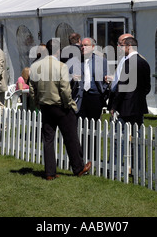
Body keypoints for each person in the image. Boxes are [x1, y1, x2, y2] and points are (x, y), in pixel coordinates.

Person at [29, 38, 91, 180]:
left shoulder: (35, 66)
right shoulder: (61, 66)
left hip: (45, 106)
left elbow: (32, 87)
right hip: (61, 106)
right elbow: (64, 88)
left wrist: (37, 101)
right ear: (59, 51)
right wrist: (68, 103)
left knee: (48, 140)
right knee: (71, 138)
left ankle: (50, 172)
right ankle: (78, 167)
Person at [110, 37, 151, 127]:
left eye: (123, 46)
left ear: (129, 46)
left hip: (126, 105)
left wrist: (114, 105)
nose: (120, 48)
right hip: (139, 104)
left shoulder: (128, 62)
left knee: (122, 134)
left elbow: (122, 85)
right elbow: (147, 87)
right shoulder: (144, 62)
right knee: (137, 133)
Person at [68, 37, 108, 121]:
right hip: (79, 97)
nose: (83, 48)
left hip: (95, 97)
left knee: (94, 124)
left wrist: (103, 90)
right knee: (80, 124)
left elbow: (106, 77)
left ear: (93, 47)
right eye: (81, 46)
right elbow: (65, 76)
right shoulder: (74, 61)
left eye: (86, 45)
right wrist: (72, 78)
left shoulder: (102, 61)